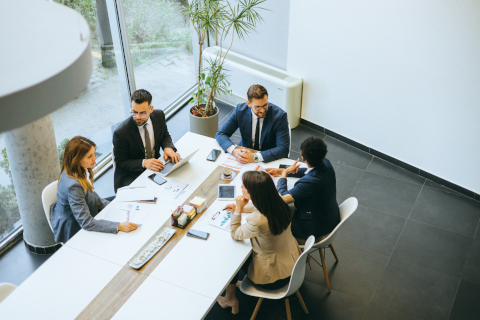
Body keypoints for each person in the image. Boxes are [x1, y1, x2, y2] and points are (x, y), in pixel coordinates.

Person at [217, 171, 301, 314]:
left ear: (254, 193)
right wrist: (242, 208)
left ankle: (229, 299)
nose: (241, 187)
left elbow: (235, 234)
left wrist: (237, 210)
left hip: (273, 279)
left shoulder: (257, 220)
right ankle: (233, 290)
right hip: (292, 266)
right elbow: (259, 206)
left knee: (231, 258)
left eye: (244, 186)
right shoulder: (279, 201)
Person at [50, 137, 137, 243]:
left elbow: (92, 195)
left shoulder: (78, 169)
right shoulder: (73, 186)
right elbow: (86, 222)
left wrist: (114, 208)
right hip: (74, 226)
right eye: (89, 156)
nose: (95, 159)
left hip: (85, 208)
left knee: (120, 202)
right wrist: (118, 226)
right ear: (76, 160)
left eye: (94, 154)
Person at [266, 137, 340, 244]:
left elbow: (282, 198)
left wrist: (283, 176)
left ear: (303, 158)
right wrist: (283, 170)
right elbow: (309, 171)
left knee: (272, 221)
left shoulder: (308, 184)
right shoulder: (326, 164)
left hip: (314, 227)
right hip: (329, 216)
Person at [113, 89, 180, 192]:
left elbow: (165, 135)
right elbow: (121, 163)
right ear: (131, 107)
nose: (138, 117)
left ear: (151, 109)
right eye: (134, 112)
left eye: (143, 113)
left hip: (156, 167)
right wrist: (143, 163)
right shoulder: (121, 132)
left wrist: (168, 148)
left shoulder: (159, 115)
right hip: (133, 175)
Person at [215, 84, 290, 164]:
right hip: (245, 153)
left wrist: (255, 157)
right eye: (257, 107)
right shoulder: (240, 111)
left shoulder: (280, 116)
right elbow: (221, 134)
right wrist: (234, 151)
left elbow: (283, 149)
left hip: (267, 157)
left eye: (265, 105)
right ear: (248, 104)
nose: (262, 110)